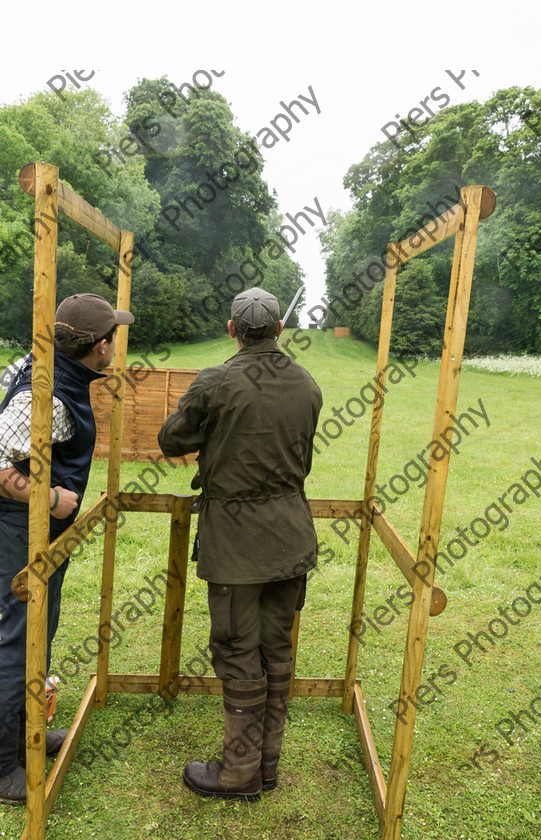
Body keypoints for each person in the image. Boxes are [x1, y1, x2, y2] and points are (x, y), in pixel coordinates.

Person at [158, 286, 322, 801]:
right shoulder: (308, 384)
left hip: (236, 544)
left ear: (232, 330)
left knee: (236, 650)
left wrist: (206, 406)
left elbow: (171, 440)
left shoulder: (216, 381)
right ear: (278, 330)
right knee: (276, 651)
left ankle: (238, 773)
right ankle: (265, 766)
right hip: (291, 536)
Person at [0, 293, 134, 804]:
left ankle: (21, 735)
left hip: (36, 534)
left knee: (38, 634)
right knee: (16, 643)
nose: (115, 343)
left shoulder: (46, 367)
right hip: (18, 531)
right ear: (99, 346)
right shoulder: (49, 393)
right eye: (113, 336)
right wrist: (52, 496)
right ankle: (1, 767)